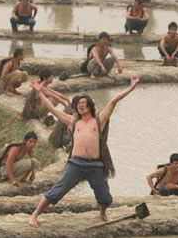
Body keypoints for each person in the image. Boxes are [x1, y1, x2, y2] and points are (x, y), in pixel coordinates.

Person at [28, 75, 142, 227]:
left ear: (89, 105)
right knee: (57, 191)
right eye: (78, 103)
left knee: (105, 196)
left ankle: (102, 212)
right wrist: (40, 92)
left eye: (83, 103)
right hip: (75, 164)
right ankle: (35, 215)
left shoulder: (99, 119)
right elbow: (53, 109)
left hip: (95, 165)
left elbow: (114, 101)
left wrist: (131, 87)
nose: (81, 105)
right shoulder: (73, 121)